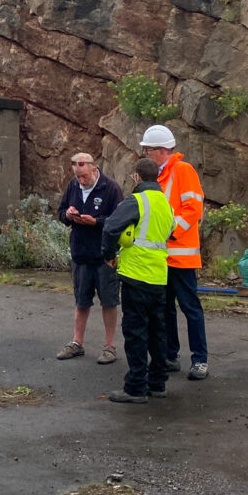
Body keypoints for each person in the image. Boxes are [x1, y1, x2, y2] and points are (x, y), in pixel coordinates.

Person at [99, 156, 174, 404]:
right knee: (157, 332)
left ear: (137, 177)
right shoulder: (165, 203)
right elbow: (170, 231)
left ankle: (135, 387)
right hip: (159, 276)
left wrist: (109, 255)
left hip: (135, 275)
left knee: (136, 333)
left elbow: (111, 227)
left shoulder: (137, 200)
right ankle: (157, 383)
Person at [141, 124, 209, 380]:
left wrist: (171, 232)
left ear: (161, 150)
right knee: (165, 308)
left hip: (181, 255)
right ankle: (171, 356)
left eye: (148, 149)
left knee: (190, 308)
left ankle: (199, 360)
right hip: (162, 256)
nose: (145, 153)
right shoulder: (158, 175)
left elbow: (194, 207)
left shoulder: (182, 170)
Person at [55, 152, 123, 364]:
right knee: (81, 300)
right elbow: (60, 211)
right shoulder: (73, 186)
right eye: (77, 176)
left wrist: (96, 221)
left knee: (109, 301)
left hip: (104, 255)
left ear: (94, 169)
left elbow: (119, 220)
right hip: (81, 253)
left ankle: (110, 347)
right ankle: (77, 342)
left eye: (84, 176)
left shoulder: (111, 188)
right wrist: (68, 214)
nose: (80, 180)